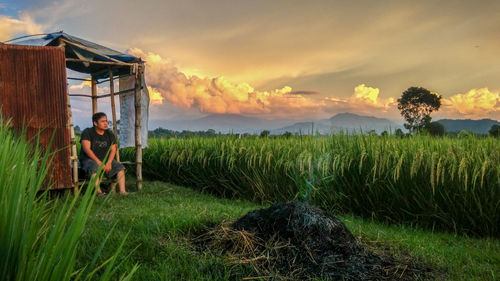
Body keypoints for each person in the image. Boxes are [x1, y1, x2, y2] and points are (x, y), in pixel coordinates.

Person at [79, 112, 127, 195]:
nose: (106, 123)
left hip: (105, 159)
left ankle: (123, 192)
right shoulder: (87, 132)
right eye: (102, 121)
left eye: (106, 121)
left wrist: (109, 162)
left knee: (120, 167)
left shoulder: (109, 133)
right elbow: (87, 149)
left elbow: (113, 149)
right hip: (89, 159)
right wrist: (99, 163)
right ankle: (99, 192)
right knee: (94, 167)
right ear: (95, 123)